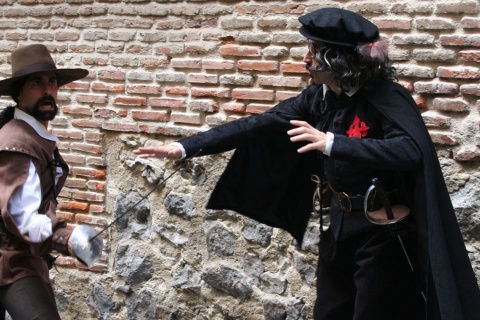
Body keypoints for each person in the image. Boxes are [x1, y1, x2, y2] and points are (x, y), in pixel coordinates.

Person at [133, 8, 480, 320]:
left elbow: (409, 151)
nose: (305, 59)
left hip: (383, 230)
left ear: (337, 59)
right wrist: (183, 148)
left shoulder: (386, 98)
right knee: (329, 312)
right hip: (339, 226)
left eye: (313, 52)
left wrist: (331, 143)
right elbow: (255, 125)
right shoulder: (318, 98)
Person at [0, 44, 89, 319]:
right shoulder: (18, 142)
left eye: (52, 82)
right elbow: (21, 217)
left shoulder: (32, 133)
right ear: (19, 93)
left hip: (22, 254)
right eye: (37, 83)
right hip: (9, 259)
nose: (48, 90)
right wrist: (64, 236)